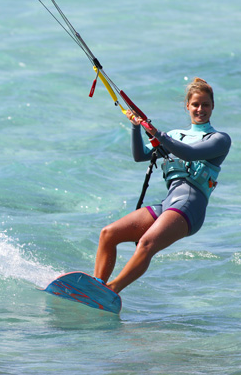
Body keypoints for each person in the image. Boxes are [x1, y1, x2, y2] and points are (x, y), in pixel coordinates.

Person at [93, 77, 231, 294]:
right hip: (169, 203)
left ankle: (111, 290)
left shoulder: (219, 139)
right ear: (187, 106)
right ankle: (96, 288)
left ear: (213, 106)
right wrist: (136, 127)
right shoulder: (174, 135)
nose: (200, 109)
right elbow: (140, 156)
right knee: (108, 233)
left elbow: (189, 153)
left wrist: (158, 134)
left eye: (205, 104)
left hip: (190, 206)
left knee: (146, 243)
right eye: (195, 104)